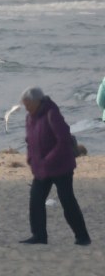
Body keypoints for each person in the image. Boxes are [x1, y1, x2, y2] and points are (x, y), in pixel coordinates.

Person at [19, 87, 91, 245]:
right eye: (24, 105)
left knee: (67, 200)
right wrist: (31, 158)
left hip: (61, 166)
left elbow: (63, 139)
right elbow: (30, 140)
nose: (26, 108)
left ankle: (82, 236)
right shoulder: (29, 117)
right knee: (36, 200)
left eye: (28, 104)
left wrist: (48, 159)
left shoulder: (52, 113)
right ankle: (39, 236)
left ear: (37, 101)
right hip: (41, 167)